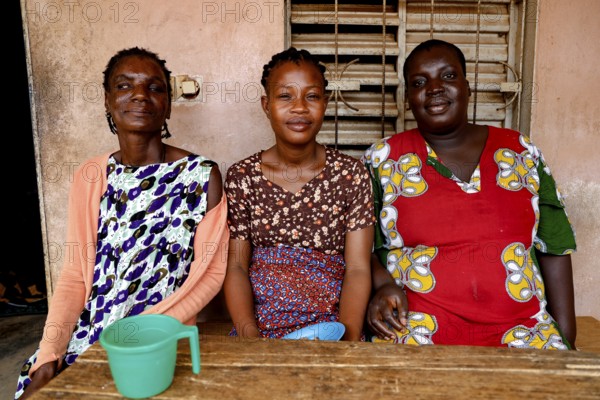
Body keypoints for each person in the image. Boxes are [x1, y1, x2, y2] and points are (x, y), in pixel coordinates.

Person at [15, 47, 229, 399]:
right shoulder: (89, 176)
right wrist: (50, 355)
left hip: (157, 336)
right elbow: (73, 278)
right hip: (88, 333)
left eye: (155, 87)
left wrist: (137, 336)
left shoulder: (202, 176)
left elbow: (210, 276)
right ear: (107, 100)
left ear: (169, 103)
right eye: (125, 86)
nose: (140, 96)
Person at [362, 39, 577, 349]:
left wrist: (565, 335)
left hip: (525, 330)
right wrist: (381, 285)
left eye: (448, 76)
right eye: (419, 82)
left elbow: (553, 244)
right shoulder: (382, 159)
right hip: (415, 330)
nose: (434, 88)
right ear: (408, 98)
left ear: (467, 87)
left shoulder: (520, 151)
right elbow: (357, 246)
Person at [223, 47, 374, 341]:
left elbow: (357, 268)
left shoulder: (351, 175)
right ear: (266, 105)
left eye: (312, 96)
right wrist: (249, 336)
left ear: (326, 103)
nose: (300, 107)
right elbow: (238, 266)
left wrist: (348, 340)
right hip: (261, 328)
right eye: (285, 96)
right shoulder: (243, 177)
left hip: (331, 326)